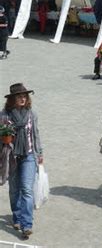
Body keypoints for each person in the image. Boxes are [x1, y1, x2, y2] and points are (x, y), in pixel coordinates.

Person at [1, 83, 43, 239]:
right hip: (11, 156)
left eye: (25, 96)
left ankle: (27, 224)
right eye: (19, 96)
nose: (23, 98)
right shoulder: (4, 115)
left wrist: (40, 152)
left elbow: (35, 134)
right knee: (14, 190)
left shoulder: (32, 114)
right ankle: (17, 216)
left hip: (29, 155)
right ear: (12, 99)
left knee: (26, 188)